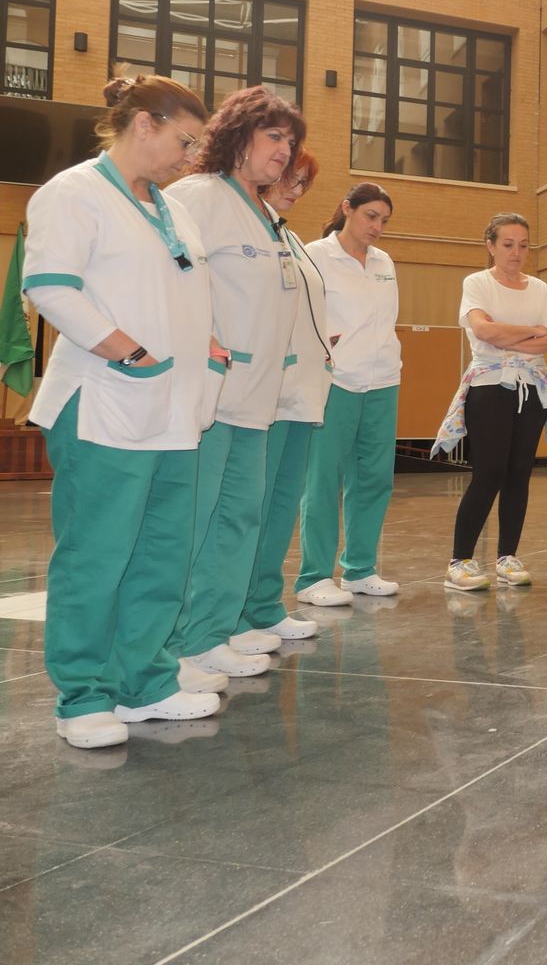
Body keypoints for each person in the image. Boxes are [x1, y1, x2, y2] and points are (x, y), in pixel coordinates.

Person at [23, 74, 221, 747]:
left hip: (173, 409)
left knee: (163, 551)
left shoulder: (174, 210)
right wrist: (127, 351)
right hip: (105, 400)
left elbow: (185, 289)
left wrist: (209, 348)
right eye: (184, 140)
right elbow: (50, 286)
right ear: (143, 125)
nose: (191, 156)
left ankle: (146, 682)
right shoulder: (74, 193)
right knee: (97, 553)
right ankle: (82, 696)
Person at [164, 86, 308, 683]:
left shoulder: (266, 213)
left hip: (257, 401)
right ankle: (170, 643)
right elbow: (164, 275)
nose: (285, 151)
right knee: (194, 520)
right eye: (274, 136)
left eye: (291, 141)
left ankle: (210, 633)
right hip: (211, 396)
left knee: (238, 518)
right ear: (236, 134)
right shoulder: (196, 196)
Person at [436, 213, 547, 591]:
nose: (516, 252)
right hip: (491, 385)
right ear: (491, 246)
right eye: (508, 244)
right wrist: (531, 332)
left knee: (518, 475)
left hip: (532, 388)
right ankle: (459, 561)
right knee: (489, 472)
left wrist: (508, 335)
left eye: (523, 245)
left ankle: (507, 556)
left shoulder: (539, 288)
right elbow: (483, 330)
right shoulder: (476, 283)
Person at [295, 183, 403, 604]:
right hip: (335, 382)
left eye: (383, 220)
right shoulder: (316, 255)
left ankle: (359, 569)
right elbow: (300, 311)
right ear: (347, 209)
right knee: (323, 480)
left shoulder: (384, 261)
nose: (377, 226)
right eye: (370, 216)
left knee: (375, 479)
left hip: (382, 381)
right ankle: (313, 577)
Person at [242, 148, 333, 640]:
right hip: (267, 392)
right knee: (251, 507)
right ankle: (232, 616)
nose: (294, 191)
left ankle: (262, 605)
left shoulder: (289, 235)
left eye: (303, 184)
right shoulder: (249, 227)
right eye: (288, 178)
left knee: (281, 504)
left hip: (303, 391)